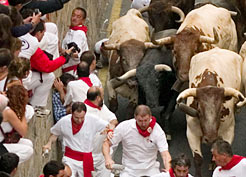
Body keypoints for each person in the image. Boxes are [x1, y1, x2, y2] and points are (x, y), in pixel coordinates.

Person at [43, 102, 112, 177]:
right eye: (76, 117)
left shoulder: (92, 119)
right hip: (70, 158)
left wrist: (109, 131)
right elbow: (54, 134)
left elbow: (109, 126)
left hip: (86, 159)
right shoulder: (64, 121)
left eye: (82, 117)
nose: (79, 120)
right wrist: (49, 143)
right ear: (71, 113)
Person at [18, 20, 73, 112]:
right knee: (49, 77)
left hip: (12, 73)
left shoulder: (19, 34)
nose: (44, 34)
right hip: (19, 81)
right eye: (43, 32)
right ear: (38, 32)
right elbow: (47, 67)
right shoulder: (33, 44)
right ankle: (36, 107)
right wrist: (65, 57)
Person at [103, 105, 172, 177]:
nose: (143, 124)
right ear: (135, 117)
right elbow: (106, 143)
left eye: (146, 120)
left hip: (151, 170)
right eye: (140, 121)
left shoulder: (158, 131)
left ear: (150, 117)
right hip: (129, 170)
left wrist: (168, 170)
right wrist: (108, 158)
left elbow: (165, 154)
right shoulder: (125, 127)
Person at [84, 86, 118, 177]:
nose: (103, 97)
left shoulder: (101, 106)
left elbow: (113, 119)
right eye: (103, 95)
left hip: (103, 154)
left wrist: (110, 127)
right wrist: (105, 127)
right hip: (87, 155)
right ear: (98, 98)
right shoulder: (84, 112)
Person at [0, 85, 33, 163]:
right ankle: (6, 166)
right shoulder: (8, 112)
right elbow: (23, 131)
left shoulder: (7, 107)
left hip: (2, 140)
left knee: (28, 143)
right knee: (28, 151)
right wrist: (23, 110)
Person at [62, 7, 89, 76]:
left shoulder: (78, 34)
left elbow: (76, 54)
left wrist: (63, 51)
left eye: (78, 17)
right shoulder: (73, 30)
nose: (74, 18)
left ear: (83, 20)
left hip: (73, 73)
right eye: (73, 15)